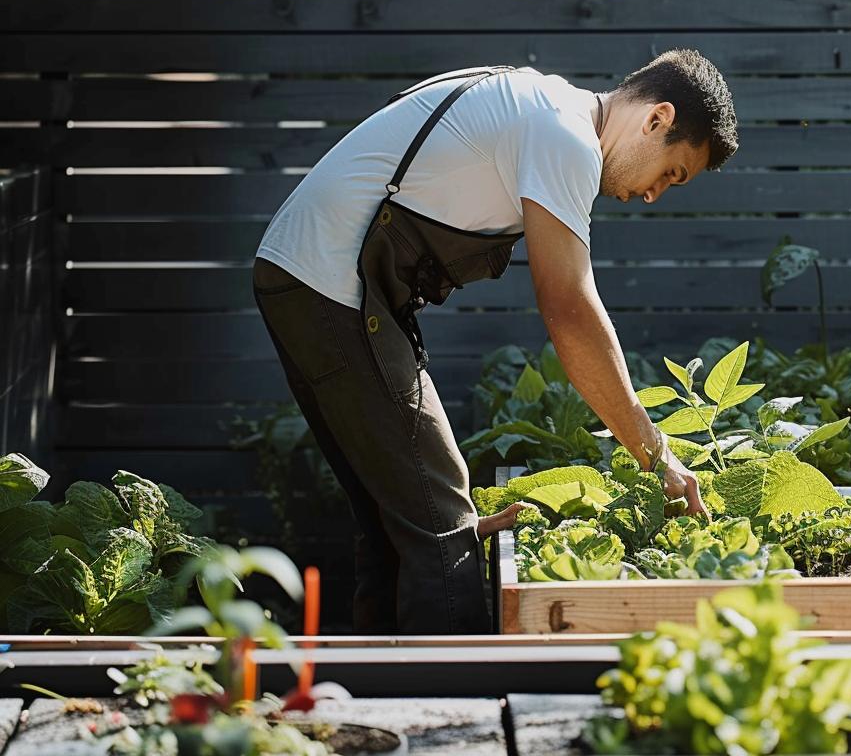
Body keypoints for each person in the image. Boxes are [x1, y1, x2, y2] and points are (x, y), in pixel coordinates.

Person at [250, 50, 739, 634]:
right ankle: (458, 687)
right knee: (441, 521)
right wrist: (655, 453)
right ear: (657, 119)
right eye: (671, 172)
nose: (656, 193)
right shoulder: (565, 136)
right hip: (330, 282)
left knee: (397, 518)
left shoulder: (542, 104)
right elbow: (569, 308)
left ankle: (380, 680)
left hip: (305, 275)